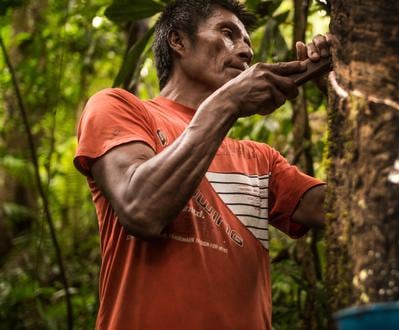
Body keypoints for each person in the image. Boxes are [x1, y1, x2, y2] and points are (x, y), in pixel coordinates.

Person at [74, 0, 332, 328]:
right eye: (228, 34)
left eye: (247, 43)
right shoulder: (119, 107)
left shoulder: (261, 159)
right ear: (178, 41)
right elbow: (140, 209)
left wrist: (344, 97)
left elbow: (344, 208)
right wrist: (227, 104)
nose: (245, 52)